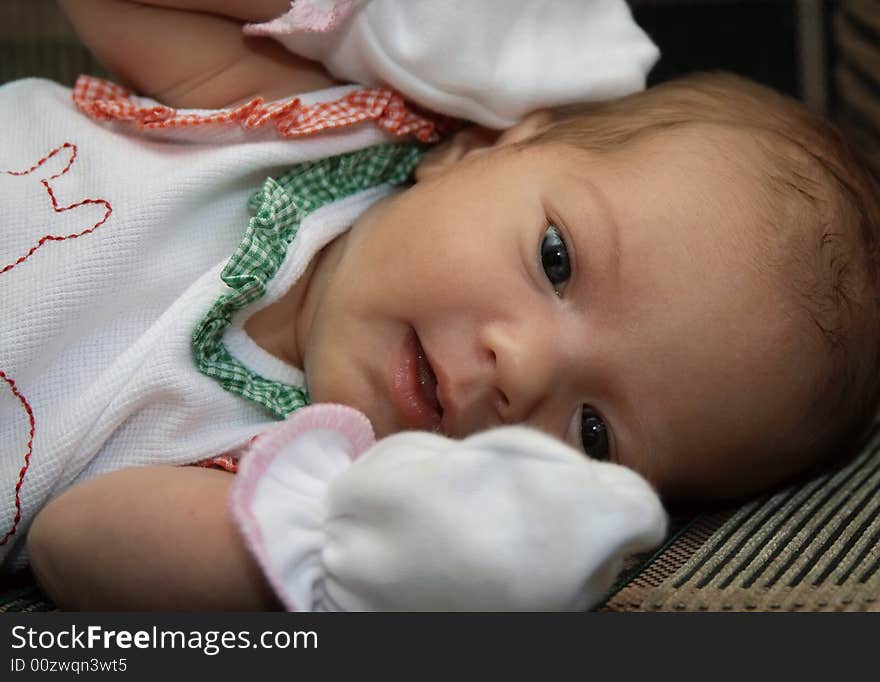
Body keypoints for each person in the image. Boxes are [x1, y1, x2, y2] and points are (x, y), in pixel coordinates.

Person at [4, 0, 879, 609]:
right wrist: (370, 21)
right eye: (557, 258)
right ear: (485, 144)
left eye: (594, 434)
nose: (522, 370)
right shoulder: (317, 116)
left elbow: (74, 545)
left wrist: (370, 569)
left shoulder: (305, 484)